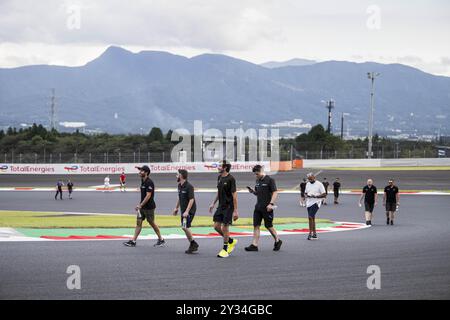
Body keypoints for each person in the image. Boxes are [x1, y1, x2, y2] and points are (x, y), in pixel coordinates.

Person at [123, 165, 166, 247]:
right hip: (142, 207)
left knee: (152, 223)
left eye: (142, 171)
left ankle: (161, 239)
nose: (139, 172)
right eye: (140, 171)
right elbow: (142, 171)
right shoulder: (143, 180)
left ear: (146, 173)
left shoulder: (149, 182)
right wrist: (139, 168)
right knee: (138, 223)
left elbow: (148, 195)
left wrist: (140, 205)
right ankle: (133, 241)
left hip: (149, 207)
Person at [245, 165, 282, 252]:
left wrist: (271, 204)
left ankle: (278, 240)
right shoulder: (257, 180)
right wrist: (253, 191)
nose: (256, 176)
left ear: (262, 171)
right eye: (255, 174)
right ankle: (254, 245)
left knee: (268, 226)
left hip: (267, 207)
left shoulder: (270, 180)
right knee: (256, 225)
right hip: (258, 207)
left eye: (257, 174)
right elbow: (258, 193)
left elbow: (275, 192)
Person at [208, 160, 239, 258]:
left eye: (220, 166)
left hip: (229, 207)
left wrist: (235, 211)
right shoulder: (219, 177)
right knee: (216, 227)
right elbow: (219, 191)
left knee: (225, 227)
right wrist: (213, 203)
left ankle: (225, 249)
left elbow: (234, 196)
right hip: (221, 206)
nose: (218, 167)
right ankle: (230, 240)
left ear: (225, 167)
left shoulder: (231, 179)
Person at [172, 169, 199, 254]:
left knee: (185, 227)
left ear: (181, 176)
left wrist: (187, 211)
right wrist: (176, 208)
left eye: (177, 174)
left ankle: (193, 244)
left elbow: (191, 199)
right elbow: (179, 197)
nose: (176, 176)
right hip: (183, 210)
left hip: (190, 210)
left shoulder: (189, 186)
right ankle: (193, 244)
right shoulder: (179, 186)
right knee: (184, 227)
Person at [304, 173, 326, 240]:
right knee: (312, 218)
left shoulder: (319, 184)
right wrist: (306, 195)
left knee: (310, 217)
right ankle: (315, 234)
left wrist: (316, 196)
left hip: (316, 202)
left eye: (311, 178)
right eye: (309, 179)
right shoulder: (307, 184)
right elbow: (305, 192)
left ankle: (310, 233)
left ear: (314, 177)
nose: (310, 180)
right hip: (309, 202)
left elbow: (324, 194)